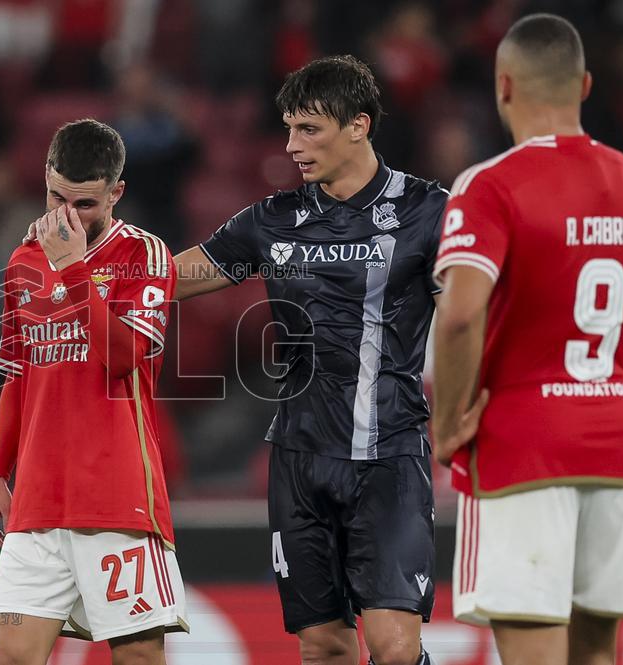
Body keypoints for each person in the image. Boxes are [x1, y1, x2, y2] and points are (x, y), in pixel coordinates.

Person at [175, 56, 445, 665]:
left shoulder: (430, 213)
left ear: (359, 125)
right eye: (289, 129)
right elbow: (169, 277)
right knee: (323, 645)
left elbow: (490, 298)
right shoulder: (273, 220)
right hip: (300, 459)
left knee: (394, 648)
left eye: (310, 129)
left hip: (391, 457)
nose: (293, 145)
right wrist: (85, 268)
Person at [432, 13, 623, 665]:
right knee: (598, 653)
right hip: (617, 440)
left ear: (503, 87)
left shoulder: (491, 185)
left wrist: (447, 421)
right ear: (584, 85)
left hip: (522, 444)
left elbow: (462, 314)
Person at [0, 119, 187, 665]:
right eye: (55, 196)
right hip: (38, 499)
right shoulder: (23, 261)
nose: (66, 216)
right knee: (9, 656)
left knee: (138, 657)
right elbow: (16, 375)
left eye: (86, 204)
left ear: (116, 192)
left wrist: (73, 269)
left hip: (117, 495)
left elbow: (121, 358)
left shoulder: (143, 256)